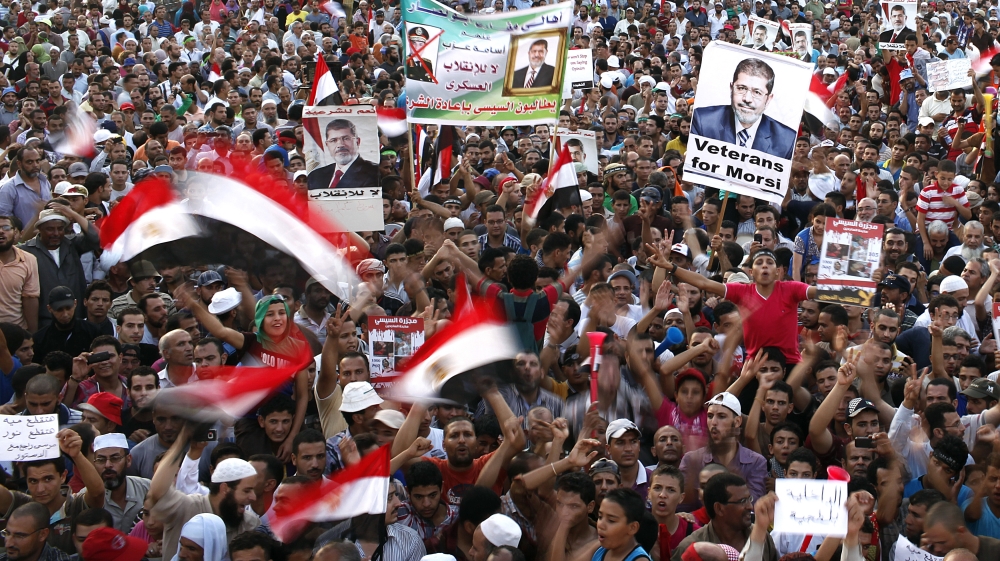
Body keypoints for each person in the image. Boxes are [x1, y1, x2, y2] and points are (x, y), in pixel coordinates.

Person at [688, 58, 796, 159]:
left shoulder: (786, 140)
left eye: (757, 92)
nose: (747, 99)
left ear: (768, 99)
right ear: (731, 89)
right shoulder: (703, 121)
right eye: (741, 88)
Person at [307, 119, 380, 190]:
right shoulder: (316, 175)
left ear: (357, 142)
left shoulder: (374, 172)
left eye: (346, 138)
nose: (340, 145)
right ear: (327, 145)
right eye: (333, 140)